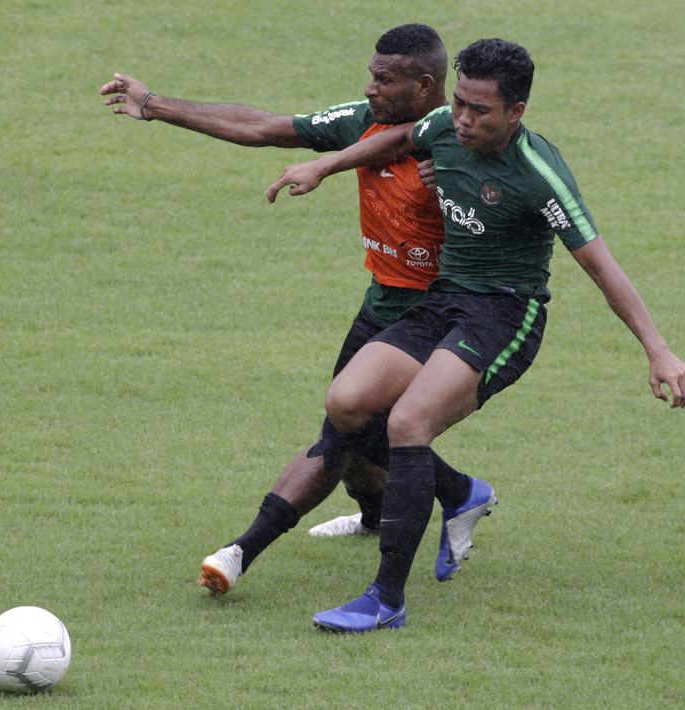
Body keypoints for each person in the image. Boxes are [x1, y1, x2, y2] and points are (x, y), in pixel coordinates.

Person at [266, 38, 685, 632]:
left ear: (516, 112)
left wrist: (658, 349)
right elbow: (400, 137)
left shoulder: (537, 175)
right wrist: (324, 164)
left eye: (480, 111)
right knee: (346, 402)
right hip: (442, 300)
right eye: (460, 102)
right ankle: (463, 493)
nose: (461, 119)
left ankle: (386, 599)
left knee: (408, 423)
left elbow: (602, 267)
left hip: (503, 315)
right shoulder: (446, 122)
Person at [99, 24, 497, 596]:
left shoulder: (467, 148)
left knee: (344, 429)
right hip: (381, 302)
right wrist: (156, 105)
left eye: (384, 80)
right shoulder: (366, 123)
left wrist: (451, 190)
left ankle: (242, 550)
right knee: (359, 435)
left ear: (425, 84)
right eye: (371, 75)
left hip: (439, 315)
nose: (369, 88)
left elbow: (508, 226)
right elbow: (263, 127)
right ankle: (428, 501)